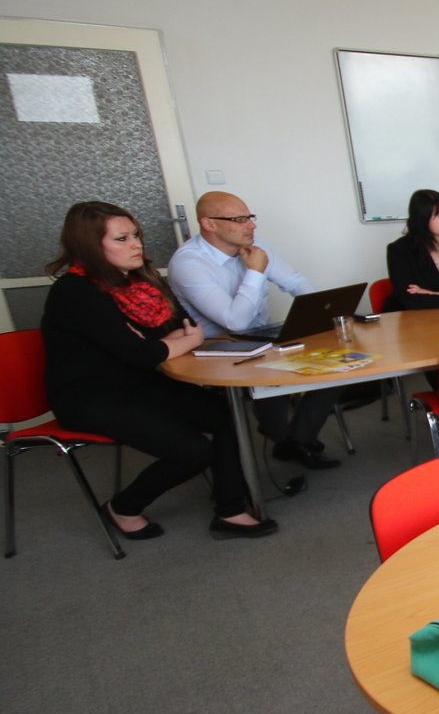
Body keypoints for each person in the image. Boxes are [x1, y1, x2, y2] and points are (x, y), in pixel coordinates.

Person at [40, 202, 278, 540]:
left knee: (225, 414)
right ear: (90, 246)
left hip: (141, 383)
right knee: (195, 451)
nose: (136, 245)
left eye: (136, 235)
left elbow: (184, 328)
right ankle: (123, 507)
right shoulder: (74, 291)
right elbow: (146, 352)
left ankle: (230, 510)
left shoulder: (141, 281)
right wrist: (168, 343)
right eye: (122, 239)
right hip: (91, 397)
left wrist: (164, 343)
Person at [167, 190, 339, 470]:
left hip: (264, 337)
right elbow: (235, 323)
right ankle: (286, 438)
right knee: (274, 387)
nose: (251, 225)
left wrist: (322, 312)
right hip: (220, 348)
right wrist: (256, 272)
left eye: (250, 217)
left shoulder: (254, 246)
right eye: (239, 219)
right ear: (209, 224)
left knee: (338, 365)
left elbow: (295, 282)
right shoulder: (188, 263)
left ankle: (297, 440)